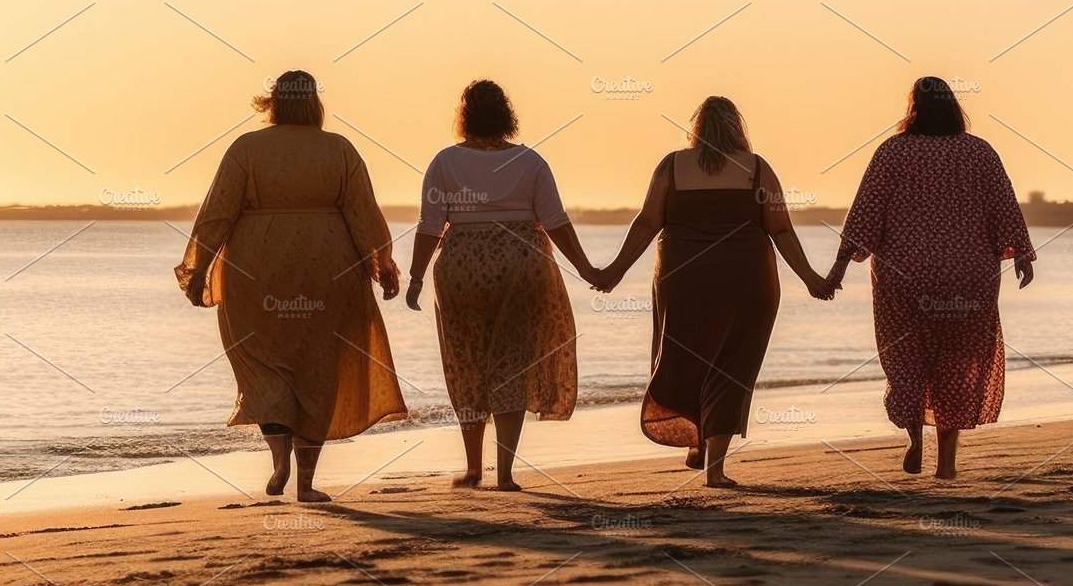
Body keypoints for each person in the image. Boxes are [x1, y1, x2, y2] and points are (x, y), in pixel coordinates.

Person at [177, 70, 406, 502]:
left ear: (274, 102)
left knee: (264, 367)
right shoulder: (339, 149)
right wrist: (384, 265)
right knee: (320, 371)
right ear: (315, 104)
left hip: (255, 271)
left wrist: (197, 269)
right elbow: (363, 214)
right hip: (328, 270)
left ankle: (278, 457)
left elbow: (216, 214)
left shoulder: (246, 149)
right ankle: (305, 482)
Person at [595, 97, 833, 488]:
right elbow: (781, 229)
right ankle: (715, 468)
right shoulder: (756, 168)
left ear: (697, 128)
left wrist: (614, 272)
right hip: (747, 280)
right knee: (732, 366)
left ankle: (696, 441)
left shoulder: (672, 165)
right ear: (737, 128)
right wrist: (810, 278)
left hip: (683, 278)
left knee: (684, 356)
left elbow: (646, 222)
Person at [825, 76, 1036, 481]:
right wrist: (1024, 256)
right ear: (954, 106)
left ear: (914, 108)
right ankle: (947, 464)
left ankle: (915, 437)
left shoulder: (893, 152)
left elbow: (864, 215)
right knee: (957, 366)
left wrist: (837, 270)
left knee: (906, 361)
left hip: (904, 279)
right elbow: (1005, 208)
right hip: (967, 279)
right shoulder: (980, 153)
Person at [406, 80, 599, 491]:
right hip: (521, 264)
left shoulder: (445, 161)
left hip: (462, 270)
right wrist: (585, 268)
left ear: (465, 116)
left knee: (467, 362)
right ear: (507, 114)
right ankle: (506, 474)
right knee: (512, 363)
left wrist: (416, 277)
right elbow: (556, 221)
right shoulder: (530, 162)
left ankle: (474, 468)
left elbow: (429, 225)